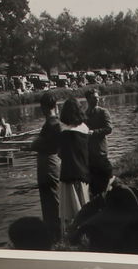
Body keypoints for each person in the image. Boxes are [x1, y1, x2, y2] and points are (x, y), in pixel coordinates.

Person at [51, 99, 92, 243]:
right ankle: (85, 236)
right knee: (84, 205)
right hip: (84, 172)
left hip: (68, 172)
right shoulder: (85, 128)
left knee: (69, 210)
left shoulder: (62, 130)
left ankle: (71, 238)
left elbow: (60, 154)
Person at [31, 92, 62, 239]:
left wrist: (33, 144)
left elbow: (36, 144)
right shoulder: (58, 122)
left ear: (42, 108)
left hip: (48, 166)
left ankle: (55, 234)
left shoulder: (49, 124)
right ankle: (58, 231)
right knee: (55, 197)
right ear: (56, 106)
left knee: (50, 200)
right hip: (55, 163)